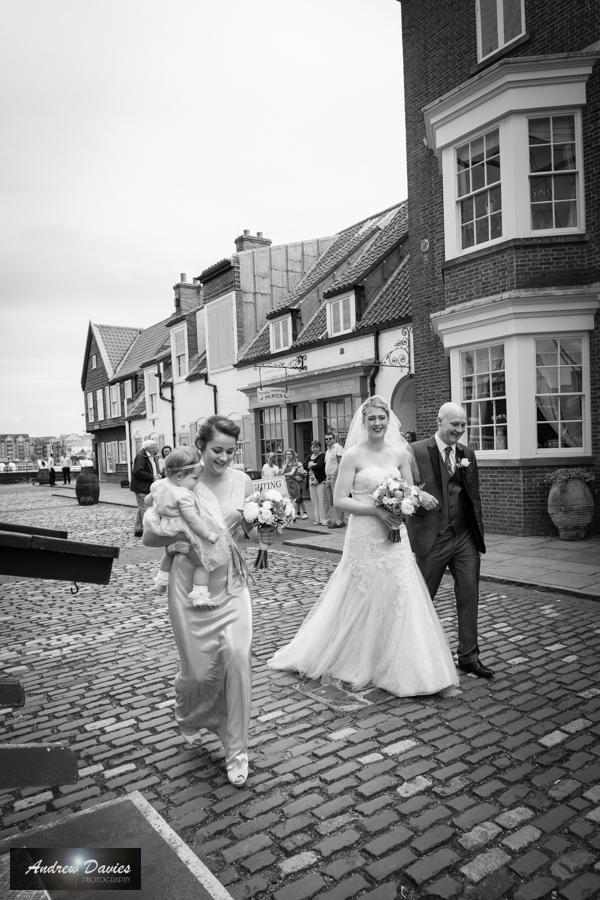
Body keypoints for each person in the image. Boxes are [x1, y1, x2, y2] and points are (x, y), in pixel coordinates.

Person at [269, 396, 459, 697]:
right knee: (363, 592)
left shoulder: (400, 453)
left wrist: (412, 500)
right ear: (363, 421)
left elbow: (410, 489)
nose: (377, 423)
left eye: (382, 417)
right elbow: (339, 500)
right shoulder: (353, 455)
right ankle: (357, 659)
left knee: (401, 593)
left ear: (389, 419)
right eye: (371, 418)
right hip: (364, 535)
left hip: (395, 536)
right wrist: (377, 509)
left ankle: (417, 671)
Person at [143, 415, 273, 787]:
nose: (224, 458)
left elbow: (245, 532)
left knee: (237, 656)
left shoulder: (244, 481)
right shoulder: (174, 485)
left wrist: (265, 520)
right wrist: (178, 540)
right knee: (198, 672)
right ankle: (187, 710)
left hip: (230, 584)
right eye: (217, 450)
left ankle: (237, 750)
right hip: (189, 586)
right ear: (200, 449)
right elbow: (148, 537)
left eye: (231, 451)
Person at [405, 402, 492, 679]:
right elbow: (404, 491)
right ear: (439, 421)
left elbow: (473, 496)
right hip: (432, 538)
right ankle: (413, 657)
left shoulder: (468, 454)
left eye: (464, 425)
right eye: (454, 424)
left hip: (465, 537)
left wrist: (477, 534)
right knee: (422, 600)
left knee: (469, 595)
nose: (460, 430)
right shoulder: (416, 451)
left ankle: (468, 657)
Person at [143, 446, 230, 607]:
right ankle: (200, 595)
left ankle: (161, 582)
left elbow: (148, 501)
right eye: (195, 478)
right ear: (180, 475)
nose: (197, 482)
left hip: (166, 530)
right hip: (184, 533)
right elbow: (192, 520)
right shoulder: (183, 495)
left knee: (168, 554)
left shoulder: (159, 485)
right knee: (203, 564)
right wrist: (207, 535)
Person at [130, 440, 160, 537]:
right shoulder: (141, 456)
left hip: (148, 486)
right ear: (147, 448)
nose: (156, 448)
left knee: (142, 508)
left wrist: (158, 475)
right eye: (153, 447)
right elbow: (138, 470)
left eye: (156, 446)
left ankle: (138, 530)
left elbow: (154, 469)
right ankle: (149, 532)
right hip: (141, 487)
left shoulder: (153, 456)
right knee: (145, 510)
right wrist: (152, 477)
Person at [324, 431, 345, 528]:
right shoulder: (328, 451)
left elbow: (341, 463)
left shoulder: (338, 448)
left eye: (330, 438)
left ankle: (340, 521)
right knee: (331, 501)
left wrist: (336, 475)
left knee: (337, 499)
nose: (328, 440)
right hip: (328, 478)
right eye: (326, 439)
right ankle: (336, 520)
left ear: (334, 439)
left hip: (335, 477)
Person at [281, 448, 308, 519]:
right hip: (287, 483)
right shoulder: (285, 464)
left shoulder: (296, 463)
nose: (288, 455)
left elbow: (291, 473)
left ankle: (305, 512)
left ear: (293, 455)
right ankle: (294, 513)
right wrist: (286, 464)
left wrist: (284, 475)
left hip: (294, 482)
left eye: (290, 454)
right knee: (290, 499)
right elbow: (281, 472)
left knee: (298, 498)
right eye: (287, 454)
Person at [305, 440, 327, 525]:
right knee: (314, 501)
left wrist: (311, 465)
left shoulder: (322, 455)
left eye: (317, 447)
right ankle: (317, 519)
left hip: (320, 481)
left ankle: (324, 519)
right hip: (311, 481)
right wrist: (313, 465)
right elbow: (304, 465)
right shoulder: (309, 456)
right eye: (313, 447)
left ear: (320, 447)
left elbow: (320, 465)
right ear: (311, 448)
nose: (315, 449)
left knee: (322, 501)